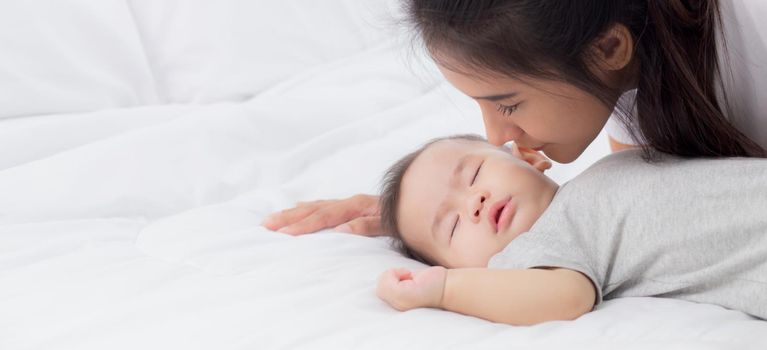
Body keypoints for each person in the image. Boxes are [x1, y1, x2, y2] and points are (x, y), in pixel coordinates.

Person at [262, 0, 767, 236]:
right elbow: (641, 210)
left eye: (506, 104)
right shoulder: (634, 73)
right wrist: (430, 210)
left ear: (608, 47)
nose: (496, 136)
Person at [375, 134, 767, 325]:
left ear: (528, 156)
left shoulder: (610, 166)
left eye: (474, 173)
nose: (473, 202)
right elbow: (566, 297)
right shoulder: (538, 249)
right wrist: (446, 289)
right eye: (453, 226)